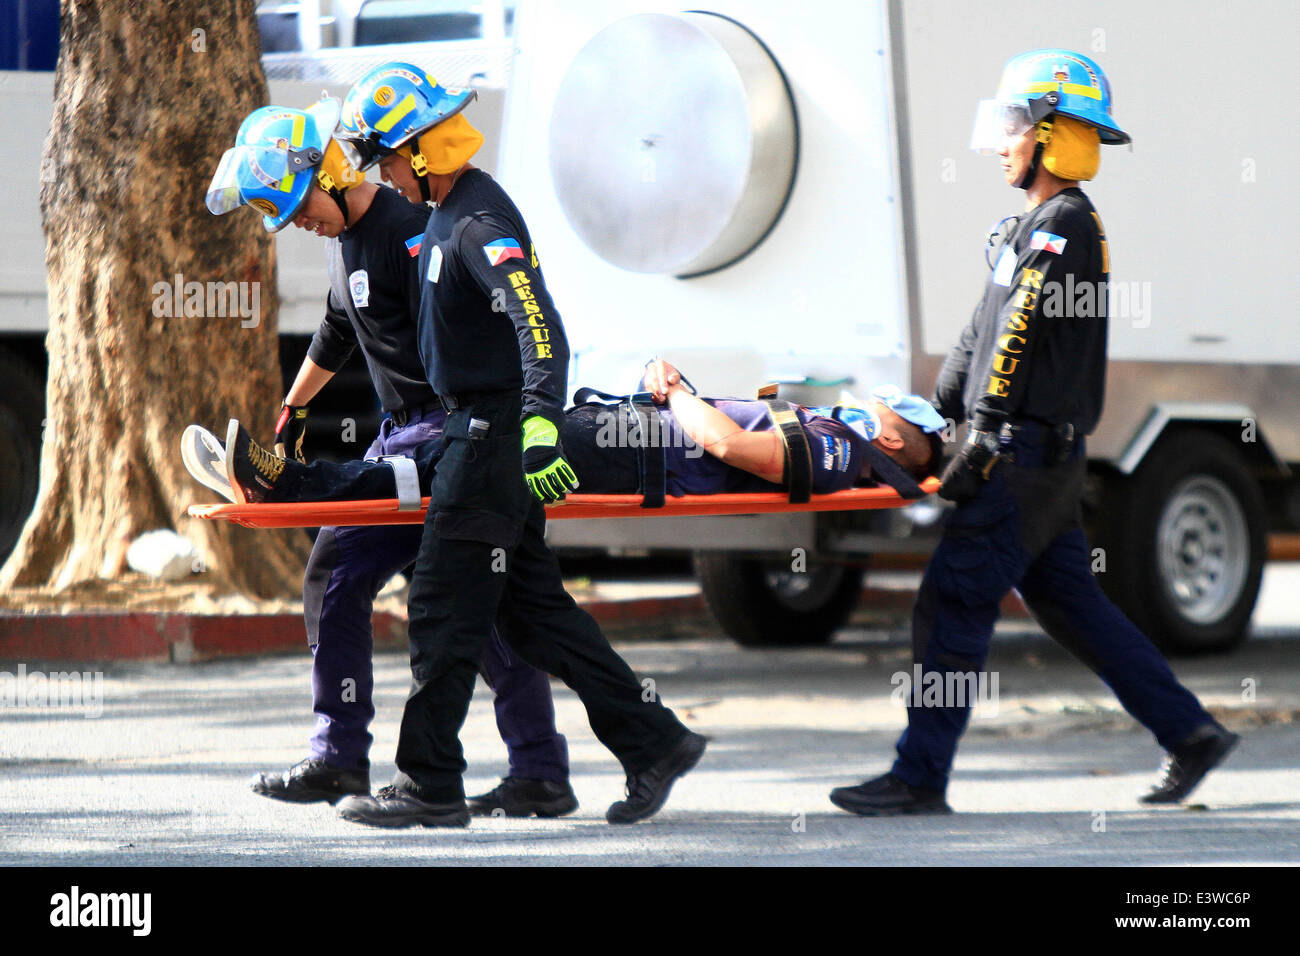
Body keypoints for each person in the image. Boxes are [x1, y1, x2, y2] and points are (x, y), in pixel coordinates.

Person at [828, 50, 1238, 817]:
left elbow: (1019, 325)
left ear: (1053, 133)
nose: (1001, 143)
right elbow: (982, 326)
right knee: (1073, 607)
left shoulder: (1067, 224)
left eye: (1015, 125)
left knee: (950, 602)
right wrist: (941, 405)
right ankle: (1191, 733)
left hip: (1022, 457)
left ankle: (919, 776)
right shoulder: (1031, 226)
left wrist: (981, 433)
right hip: (1038, 458)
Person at [329, 62, 705, 827]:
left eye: (390, 158)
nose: (386, 174)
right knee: (532, 616)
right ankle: (653, 740)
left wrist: (539, 422)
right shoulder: (441, 211)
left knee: (439, 607)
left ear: (423, 151)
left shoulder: (475, 222)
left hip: (492, 438)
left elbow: (538, 325)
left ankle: (430, 783)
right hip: (479, 429)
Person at [205, 96, 579, 818]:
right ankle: (539, 769)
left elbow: (486, 325)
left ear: (335, 172)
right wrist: (295, 405)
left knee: (340, 569)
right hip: (403, 434)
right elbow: (340, 324)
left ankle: (340, 756)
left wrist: (491, 433)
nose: (299, 224)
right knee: (481, 605)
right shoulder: (344, 238)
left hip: (443, 435)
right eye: (286, 219)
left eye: (301, 206)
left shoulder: (414, 232)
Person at [182, 362, 945, 506]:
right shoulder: (843, 429)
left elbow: (735, 448)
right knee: (464, 444)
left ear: (908, 442)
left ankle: (286, 480)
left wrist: (675, 394)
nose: (878, 408)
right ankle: (287, 474)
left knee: (474, 448)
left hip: (645, 445)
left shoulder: (848, 451)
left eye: (895, 412)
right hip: (636, 433)